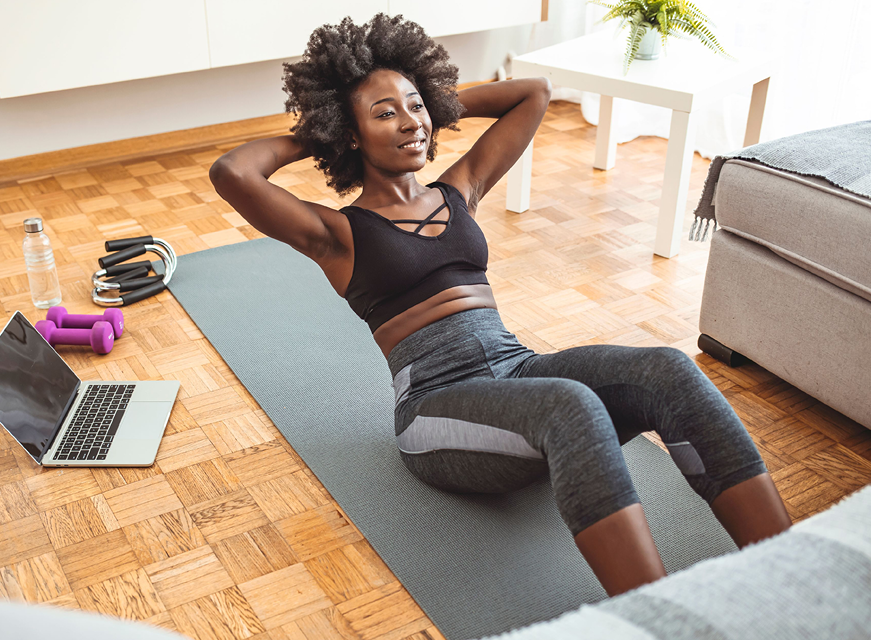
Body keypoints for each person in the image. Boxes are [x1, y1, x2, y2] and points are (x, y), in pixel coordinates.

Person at [208, 13, 792, 597]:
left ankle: (787, 568)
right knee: (569, 406)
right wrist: (326, 131)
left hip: (517, 371)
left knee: (666, 369)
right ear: (350, 133)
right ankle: (654, 613)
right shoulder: (336, 233)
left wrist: (422, 106)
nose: (410, 122)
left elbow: (531, 93)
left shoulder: (457, 190)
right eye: (384, 113)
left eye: (416, 106)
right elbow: (233, 171)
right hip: (434, 408)